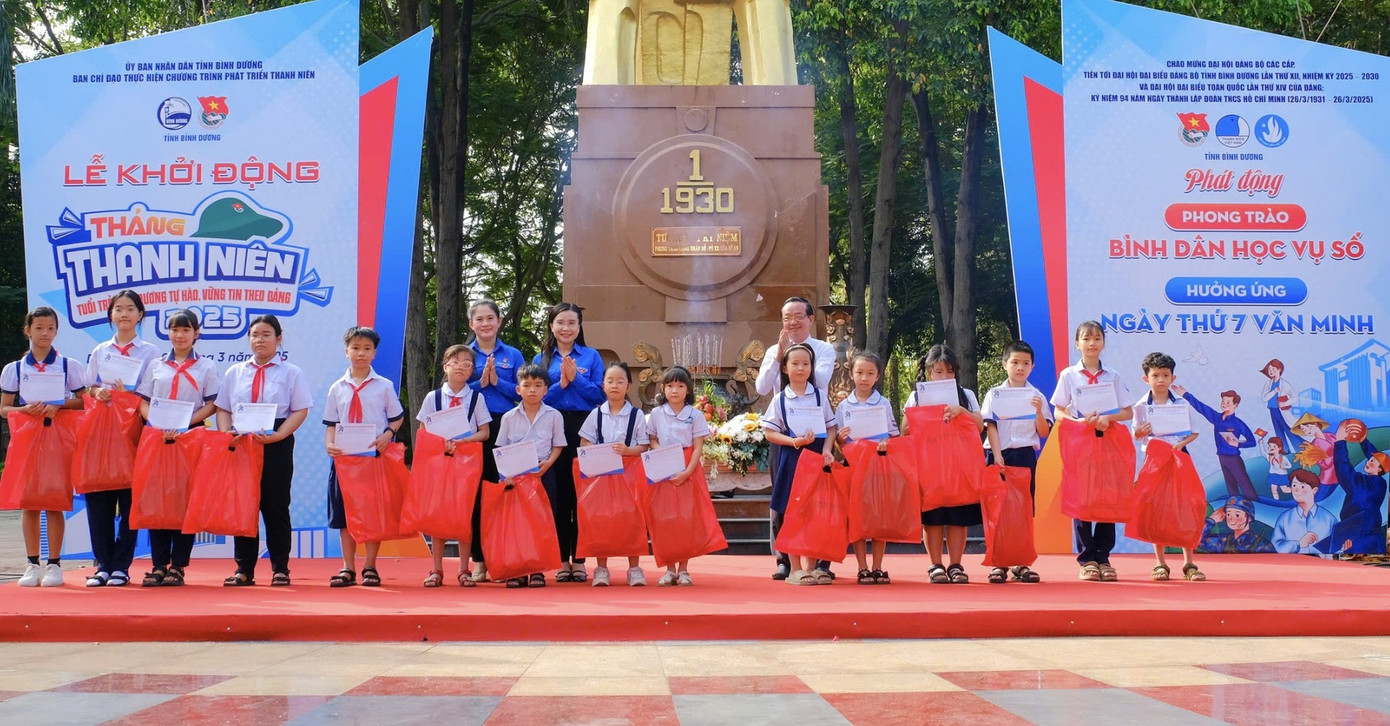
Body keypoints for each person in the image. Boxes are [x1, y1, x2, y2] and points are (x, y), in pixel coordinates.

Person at [215, 314, 313, 587]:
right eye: (255, 334)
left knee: (276, 507)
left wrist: (280, 435)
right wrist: (227, 435)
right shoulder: (235, 372)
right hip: (242, 442)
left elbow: (301, 408)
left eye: (267, 334)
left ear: (278, 339)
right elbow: (223, 407)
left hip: (276, 441)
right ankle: (243, 569)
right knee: (244, 507)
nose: (260, 339)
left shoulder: (291, 372)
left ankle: (280, 568)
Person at [1, 306, 87, 587]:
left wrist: (57, 405)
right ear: (27, 330)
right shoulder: (15, 368)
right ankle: (31, 563)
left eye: (50, 328)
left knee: (53, 502)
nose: (44, 333)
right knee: (29, 503)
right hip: (26, 437)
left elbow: (84, 401)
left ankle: (54, 564)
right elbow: (4, 409)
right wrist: (24, 410)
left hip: (56, 437)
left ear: (56, 331)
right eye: (38, 328)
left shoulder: (67, 365)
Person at [134, 309, 220, 587]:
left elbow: (211, 405)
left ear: (197, 333)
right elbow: (142, 401)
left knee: (185, 500)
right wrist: (156, 421)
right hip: (157, 437)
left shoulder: (205, 367)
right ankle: (159, 564)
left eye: (186, 330)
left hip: (189, 438)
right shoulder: (157, 365)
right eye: (174, 330)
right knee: (158, 501)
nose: (180, 335)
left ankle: (178, 566)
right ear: (168, 333)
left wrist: (183, 423)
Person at [81, 290, 161, 588]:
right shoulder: (101, 350)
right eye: (118, 309)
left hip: (133, 431)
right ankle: (102, 563)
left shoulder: (151, 352)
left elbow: (150, 392)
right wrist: (96, 392)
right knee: (98, 498)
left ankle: (121, 566)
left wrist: (128, 395)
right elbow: (86, 387)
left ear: (141, 315)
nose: (124, 314)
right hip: (101, 433)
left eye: (130, 309)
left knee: (130, 500)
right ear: (111, 315)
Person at [1050, 320, 1134, 582]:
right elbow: (1058, 410)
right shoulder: (1069, 375)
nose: (1092, 343)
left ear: (1104, 344)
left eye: (1097, 338)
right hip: (1081, 445)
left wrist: (1110, 418)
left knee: (1108, 498)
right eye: (1086, 339)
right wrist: (1075, 422)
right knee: (1082, 499)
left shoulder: (1113, 375)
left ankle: (1104, 557)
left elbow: (1128, 411)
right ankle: (1087, 559)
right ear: (1077, 344)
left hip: (1109, 445)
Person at [324, 327, 405, 588]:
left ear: (374, 353)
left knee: (372, 512)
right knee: (344, 515)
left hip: (372, 459)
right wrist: (329, 444)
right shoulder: (337, 387)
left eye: (367, 349)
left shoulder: (384, 386)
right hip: (345, 460)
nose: (361, 353)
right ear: (346, 351)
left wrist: (387, 435)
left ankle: (370, 565)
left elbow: (396, 417)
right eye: (356, 348)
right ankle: (348, 567)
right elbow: (331, 422)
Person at [533, 302, 605, 583]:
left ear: (579, 327)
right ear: (551, 325)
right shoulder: (541, 359)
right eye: (561, 322)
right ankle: (562, 560)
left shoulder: (591, 356)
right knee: (559, 494)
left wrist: (576, 380)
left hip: (585, 428)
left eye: (572, 323)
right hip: (552, 427)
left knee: (584, 496)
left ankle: (581, 560)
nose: (566, 328)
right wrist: (560, 385)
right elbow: (533, 397)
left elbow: (600, 396)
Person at [902, 344, 983, 585]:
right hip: (929, 465)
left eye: (949, 371)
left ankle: (956, 565)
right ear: (928, 372)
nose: (944, 376)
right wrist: (924, 412)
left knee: (959, 515)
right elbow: (904, 428)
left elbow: (980, 424)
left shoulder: (966, 395)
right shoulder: (917, 395)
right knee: (932, 516)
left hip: (960, 464)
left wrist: (961, 412)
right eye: (938, 371)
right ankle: (935, 564)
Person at [761, 342, 837, 585]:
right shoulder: (780, 399)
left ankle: (813, 567)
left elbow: (831, 426)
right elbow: (769, 432)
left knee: (816, 513)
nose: (801, 368)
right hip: (792, 459)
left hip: (817, 460)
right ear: (784, 368)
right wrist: (794, 441)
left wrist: (827, 449)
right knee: (793, 513)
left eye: (806, 364)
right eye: (795, 363)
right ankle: (794, 568)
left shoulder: (820, 396)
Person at [416, 343, 492, 587]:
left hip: (466, 463)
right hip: (439, 463)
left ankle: (463, 569)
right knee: (438, 514)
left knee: (463, 514)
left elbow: (484, 432)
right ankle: (436, 569)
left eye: (467, 363)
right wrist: (440, 444)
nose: (461, 366)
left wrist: (461, 440)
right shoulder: (433, 397)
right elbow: (423, 430)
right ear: (445, 366)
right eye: (456, 361)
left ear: (472, 371)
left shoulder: (476, 398)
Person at [981, 340, 1052, 584]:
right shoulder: (994, 394)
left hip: (1023, 456)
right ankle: (998, 564)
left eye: (1025, 363)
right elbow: (990, 424)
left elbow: (1044, 433)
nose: (1020, 368)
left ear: (1032, 367)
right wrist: (998, 454)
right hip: (998, 455)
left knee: (1022, 511)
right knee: (998, 510)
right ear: (1004, 365)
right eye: (1015, 363)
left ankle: (1022, 563)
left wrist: (1039, 412)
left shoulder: (1036, 396)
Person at [464, 299, 526, 583]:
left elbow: (525, 390)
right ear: (471, 324)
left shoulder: (512, 355)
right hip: (473, 430)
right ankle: (480, 561)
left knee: (504, 494)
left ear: (500, 322)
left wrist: (496, 382)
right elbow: (456, 388)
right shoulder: (464, 354)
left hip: (506, 427)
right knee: (477, 496)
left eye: (491, 318)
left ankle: (507, 559)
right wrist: (481, 383)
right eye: (480, 319)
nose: (485, 323)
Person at [1131, 352, 1205, 582]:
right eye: (1155, 375)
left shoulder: (1182, 403)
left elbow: (1193, 431)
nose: (1161, 380)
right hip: (1154, 460)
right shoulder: (1141, 406)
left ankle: (1189, 563)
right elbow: (1136, 434)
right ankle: (1160, 563)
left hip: (1179, 457)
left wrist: (1181, 445)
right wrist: (1141, 432)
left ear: (1173, 378)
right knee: (1156, 509)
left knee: (1185, 506)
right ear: (1146, 379)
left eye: (1165, 375)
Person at [495, 363, 567, 588]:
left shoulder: (554, 415)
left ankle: (537, 570)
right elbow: (500, 448)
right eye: (527, 385)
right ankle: (518, 569)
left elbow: (558, 445)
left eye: (538, 385)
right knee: (518, 524)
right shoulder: (508, 417)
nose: (532, 390)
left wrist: (547, 465)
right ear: (518, 390)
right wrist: (504, 475)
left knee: (541, 522)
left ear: (546, 390)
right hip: (515, 478)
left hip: (543, 473)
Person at [578, 362, 650, 587]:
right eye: (610, 381)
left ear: (628, 386)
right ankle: (601, 568)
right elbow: (585, 441)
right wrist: (596, 452)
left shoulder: (637, 415)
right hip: (602, 476)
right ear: (603, 385)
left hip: (629, 476)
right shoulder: (596, 414)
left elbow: (644, 446)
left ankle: (634, 568)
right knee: (601, 520)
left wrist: (629, 451)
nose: (615, 385)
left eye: (620, 381)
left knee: (632, 519)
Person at [645, 365, 712, 586]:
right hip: (663, 468)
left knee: (685, 520)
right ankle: (669, 568)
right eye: (670, 386)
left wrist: (686, 472)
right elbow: (652, 439)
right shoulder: (656, 413)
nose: (675, 390)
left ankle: (684, 569)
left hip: (687, 469)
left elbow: (697, 447)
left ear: (688, 389)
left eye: (680, 386)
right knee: (665, 520)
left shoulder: (695, 415)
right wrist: (661, 455)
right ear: (663, 388)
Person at [835, 352, 898, 585]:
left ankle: (878, 566)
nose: (864, 378)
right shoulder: (843, 406)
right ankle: (862, 567)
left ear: (878, 376)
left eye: (870, 373)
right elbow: (839, 444)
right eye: (859, 372)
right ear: (851, 374)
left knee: (879, 518)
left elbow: (893, 435)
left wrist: (886, 444)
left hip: (879, 469)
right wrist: (841, 441)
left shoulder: (883, 404)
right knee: (858, 518)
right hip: (854, 468)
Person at [1174, 386, 1258, 500]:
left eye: (1228, 402)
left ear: (1235, 405)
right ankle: (1235, 508)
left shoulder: (1238, 423)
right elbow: (1202, 408)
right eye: (1223, 401)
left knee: (1245, 485)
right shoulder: (1217, 418)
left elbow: (1252, 442)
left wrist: (1238, 444)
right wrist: (1185, 395)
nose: (1224, 404)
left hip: (1234, 458)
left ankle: (1256, 505)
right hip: (1222, 457)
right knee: (1231, 486)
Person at [1331, 419, 1388, 554]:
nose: (1369, 461)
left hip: (1358, 536)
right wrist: (1363, 441)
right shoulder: (1380, 483)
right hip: (1371, 535)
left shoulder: (1362, 484)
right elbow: (1379, 459)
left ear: (1379, 469)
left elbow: (1344, 469)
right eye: (1370, 458)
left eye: (1372, 461)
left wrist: (1340, 442)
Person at [1271, 469, 1338, 555]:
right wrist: (1298, 544)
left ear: (1314, 490)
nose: (1296, 490)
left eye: (1302, 487)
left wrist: (1343, 548)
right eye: (1294, 485)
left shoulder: (1329, 519)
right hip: (1291, 567)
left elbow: (1336, 550)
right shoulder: (1284, 518)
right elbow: (1275, 548)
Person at [1199, 496, 1275, 553]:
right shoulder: (1223, 541)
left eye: (1237, 515)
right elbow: (1197, 541)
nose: (1232, 520)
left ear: (1249, 518)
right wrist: (1212, 520)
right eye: (1228, 514)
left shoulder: (1262, 545)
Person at [1258, 358, 1297, 448]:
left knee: (1289, 431)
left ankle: (1298, 451)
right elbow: (1264, 398)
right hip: (1273, 410)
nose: (1270, 371)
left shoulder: (1284, 384)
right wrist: (1274, 391)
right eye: (1269, 370)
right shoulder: (1268, 383)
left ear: (1279, 370)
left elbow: (1294, 398)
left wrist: (1285, 403)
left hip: (1282, 411)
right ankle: (1284, 451)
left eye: (1273, 369)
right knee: (1278, 432)